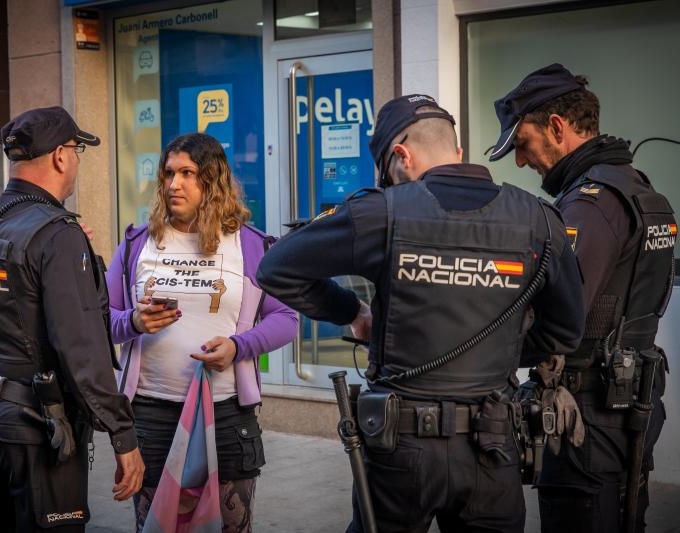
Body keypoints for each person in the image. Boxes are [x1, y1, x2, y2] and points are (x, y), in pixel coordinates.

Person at [257, 94, 585, 533]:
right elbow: (565, 331)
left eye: (390, 174)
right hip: (493, 444)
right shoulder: (541, 220)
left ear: (401, 156)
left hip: (399, 448)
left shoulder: (382, 212)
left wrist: (352, 312)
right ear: (459, 152)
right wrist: (500, 349)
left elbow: (275, 269)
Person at [489, 63, 676, 533]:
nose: (520, 161)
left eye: (523, 144)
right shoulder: (637, 187)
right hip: (624, 403)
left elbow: (559, 317)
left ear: (557, 127)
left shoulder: (590, 203)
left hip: (590, 412)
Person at [0, 106, 144, 531]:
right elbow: (82, 349)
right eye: (77, 150)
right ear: (60, 155)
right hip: (39, 430)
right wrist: (122, 435)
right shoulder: (55, 234)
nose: (76, 161)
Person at [105, 132, 298, 531]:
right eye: (169, 173)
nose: (174, 184)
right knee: (156, 527)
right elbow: (99, 319)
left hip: (227, 414)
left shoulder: (251, 244)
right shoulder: (136, 245)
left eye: (188, 173)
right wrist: (134, 323)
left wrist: (238, 346)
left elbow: (287, 318)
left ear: (213, 179)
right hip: (151, 414)